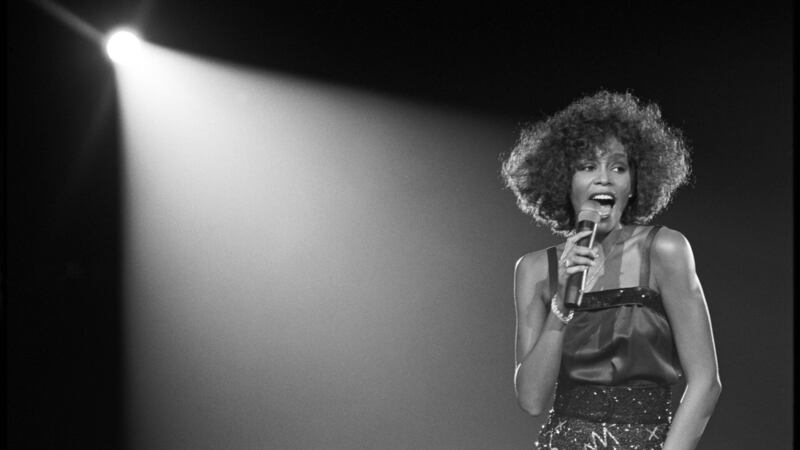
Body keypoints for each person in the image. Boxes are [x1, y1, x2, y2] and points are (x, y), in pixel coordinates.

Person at [501, 91, 721, 449]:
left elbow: (706, 382)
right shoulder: (535, 269)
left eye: (618, 167)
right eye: (587, 167)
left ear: (634, 184)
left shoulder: (665, 250)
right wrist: (561, 307)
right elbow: (531, 401)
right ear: (563, 181)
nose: (604, 179)